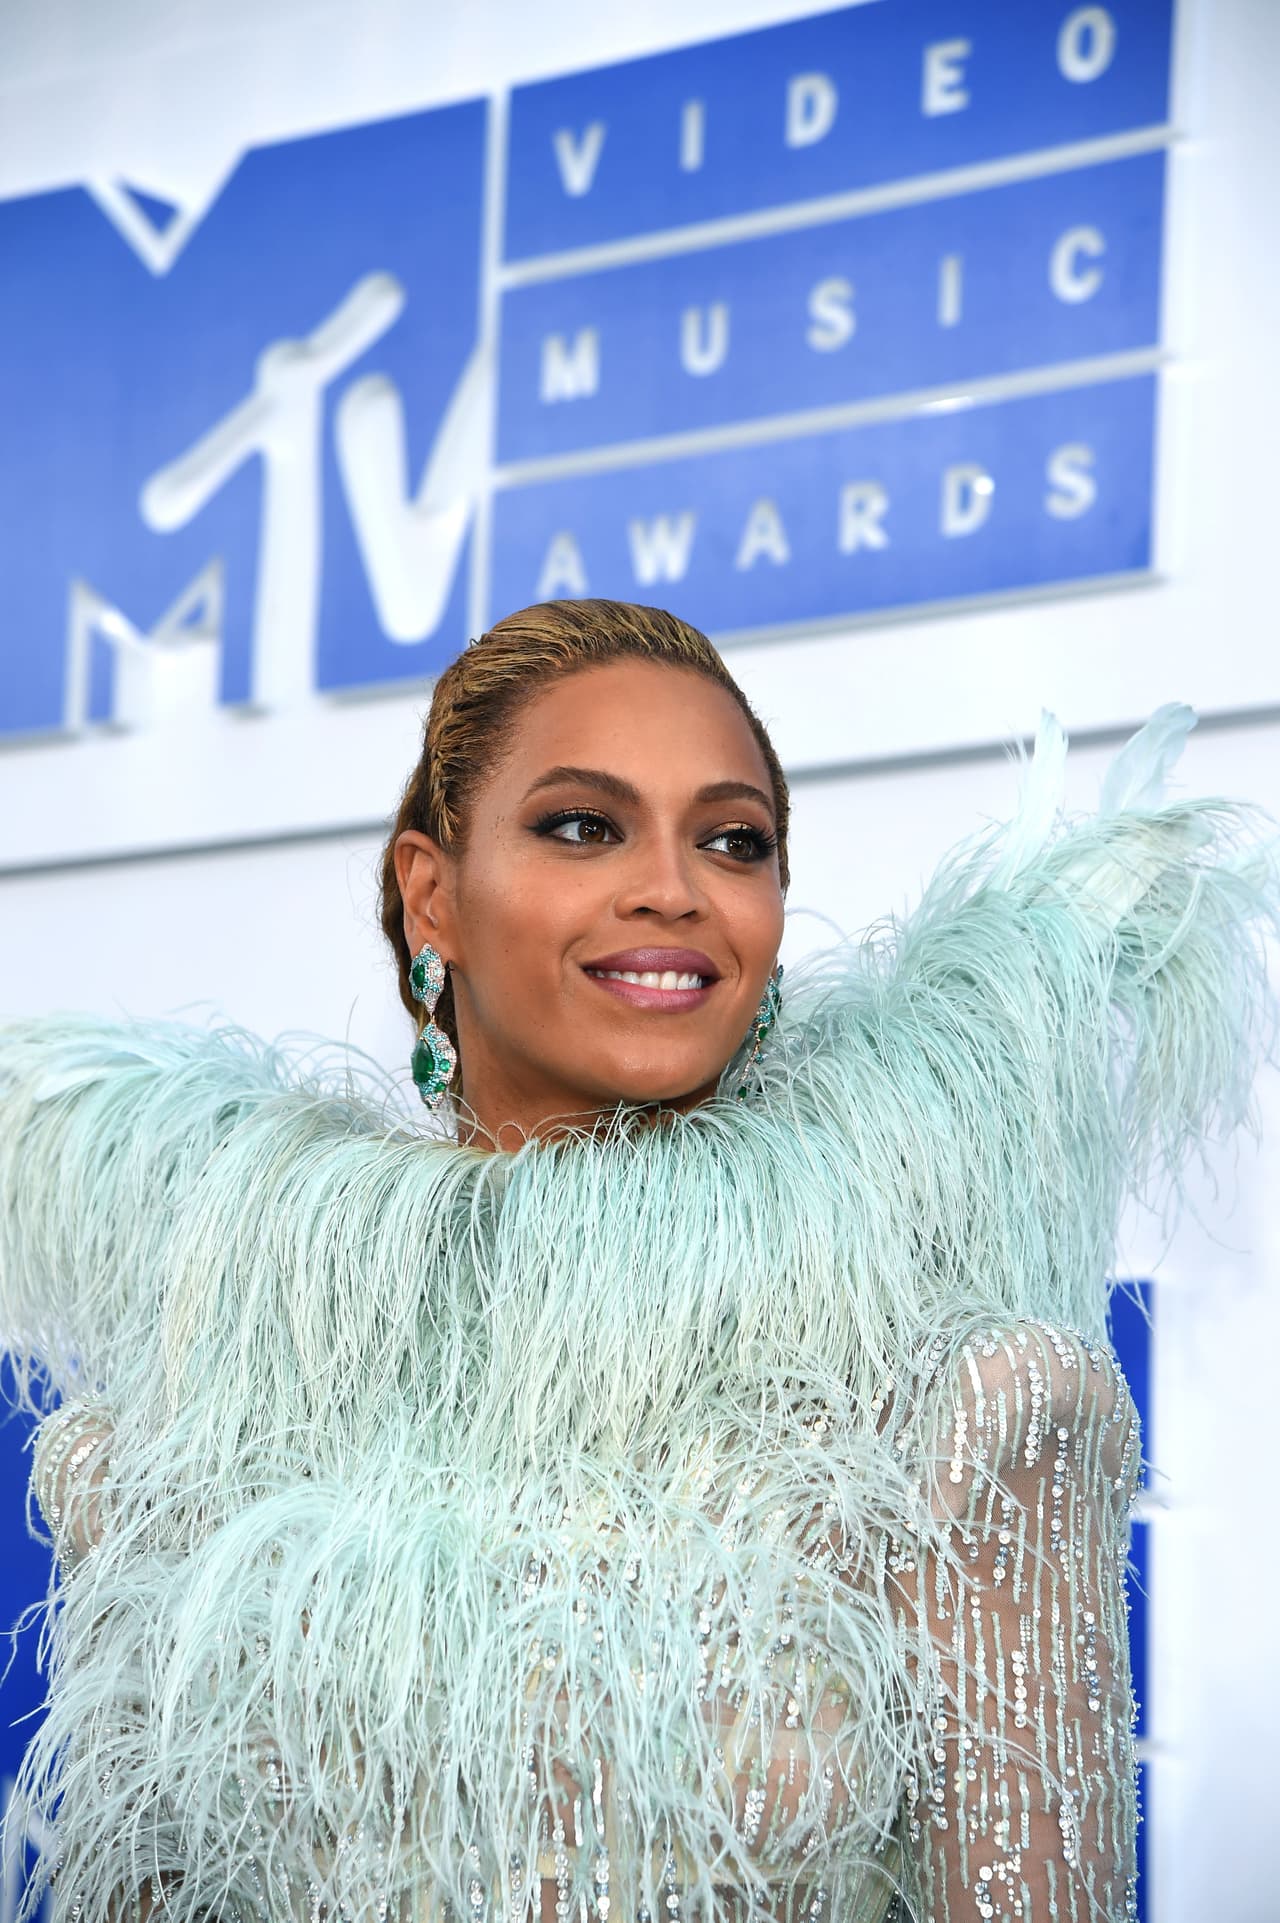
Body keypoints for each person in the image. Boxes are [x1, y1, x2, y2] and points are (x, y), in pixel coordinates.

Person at [1, 598, 1276, 1923]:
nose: (674, 885)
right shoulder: (172, 1444)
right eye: (582, 825)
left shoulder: (966, 1407)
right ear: (429, 892)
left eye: (733, 840)